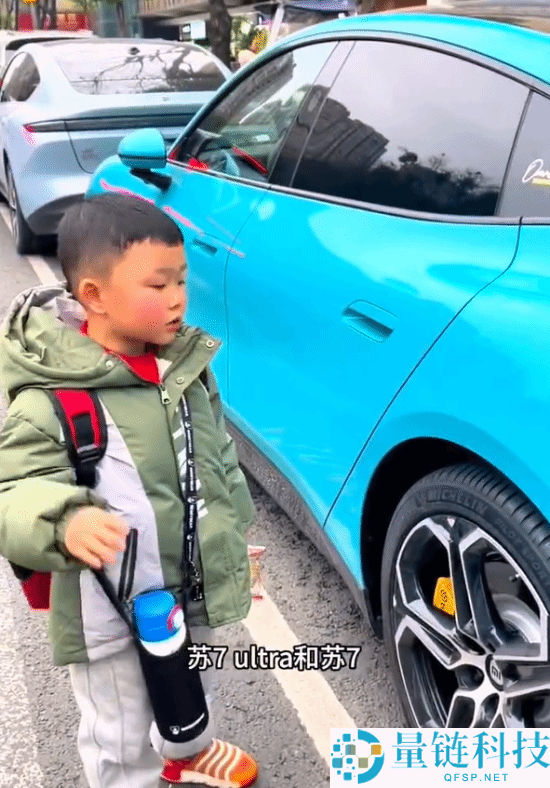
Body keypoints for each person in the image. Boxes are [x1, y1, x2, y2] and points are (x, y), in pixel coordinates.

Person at [0, 194, 258, 788]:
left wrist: (232, 536)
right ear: (94, 295)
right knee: (121, 728)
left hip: (189, 585)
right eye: (157, 285)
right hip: (110, 607)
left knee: (195, 681)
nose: (177, 298)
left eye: (182, 281)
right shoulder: (52, 400)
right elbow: (13, 489)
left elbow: (216, 460)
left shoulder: (183, 368)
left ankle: (187, 749)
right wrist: (63, 521)